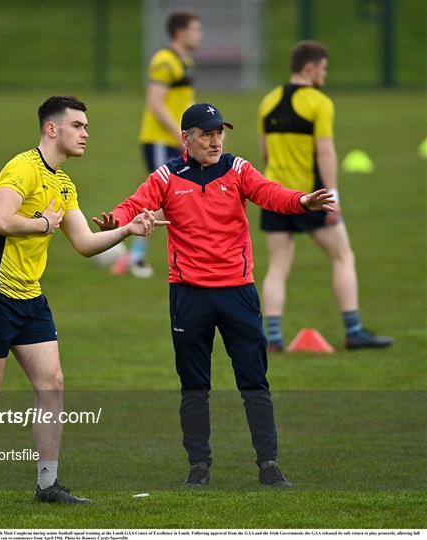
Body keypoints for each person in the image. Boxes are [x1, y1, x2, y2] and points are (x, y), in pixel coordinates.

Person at [0, 96, 165, 503]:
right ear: (52, 129)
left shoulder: (63, 183)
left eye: (87, 126)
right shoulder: (21, 168)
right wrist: (42, 224)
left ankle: (47, 484)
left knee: (52, 385)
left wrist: (129, 230)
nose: (86, 133)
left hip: (30, 297)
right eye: (78, 125)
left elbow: (86, 243)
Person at [99, 103, 335, 487]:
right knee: (194, 384)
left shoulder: (237, 169)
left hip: (237, 292)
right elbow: (134, 204)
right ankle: (199, 467)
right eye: (206, 134)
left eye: (219, 133)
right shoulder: (167, 176)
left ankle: (269, 464)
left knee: (254, 381)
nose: (215, 140)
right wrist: (118, 219)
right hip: (189, 295)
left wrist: (301, 201)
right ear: (186, 138)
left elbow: (269, 192)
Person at [258, 41, 393, 352]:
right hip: (312, 195)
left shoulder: (267, 101)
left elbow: (265, 151)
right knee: (343, 256)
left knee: (277, 267)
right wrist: (333, 197)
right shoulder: (319, 102)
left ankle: (273, 338)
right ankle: (354, 331)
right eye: (323, 69)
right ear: (310, 68)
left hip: (274, 194)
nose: (325, 75)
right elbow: (325, 152)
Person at [110, 11, 202, 279]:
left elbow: (183, 102)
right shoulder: (164, 60)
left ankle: (135, 254)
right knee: (164, 196)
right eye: (195, 30)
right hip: (160, 140)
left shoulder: (185, 61)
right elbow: (155, 102)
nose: (200, 35)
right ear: (180, 32)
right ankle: (135, 256)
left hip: (176, 139)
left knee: (173, 196)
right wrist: (180, 134)